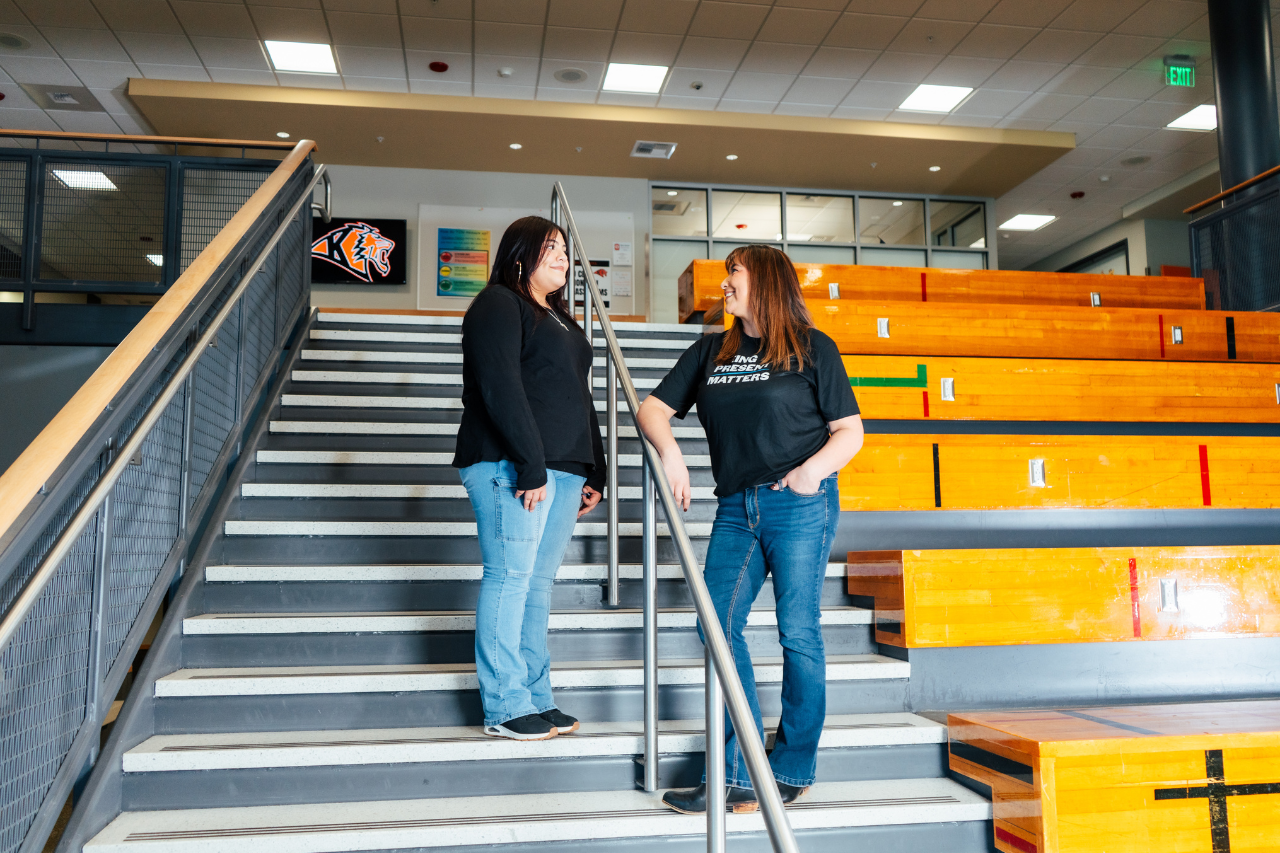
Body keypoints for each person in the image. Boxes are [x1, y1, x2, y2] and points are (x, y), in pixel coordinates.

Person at [637, 244, 864, 813]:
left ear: (763, 280)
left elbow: (850, 432)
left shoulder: (814, 349)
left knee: (797, 632)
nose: (723, 285)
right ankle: (737, 771)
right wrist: (669, 453)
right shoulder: (712, 350)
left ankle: (792, 765)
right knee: (716, 625)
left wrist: (810, 472)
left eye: (733, 273)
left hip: (799, 504)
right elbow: (651, 409)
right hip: (736, 507)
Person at [453, 216, 605, 741]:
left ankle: (537, 697)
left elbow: (578, 397)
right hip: (510, 465)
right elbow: (499, 386)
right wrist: (530, 462)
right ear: (519, 255)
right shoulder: (498, 303)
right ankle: (505, 704)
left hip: (562, 470)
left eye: (564, 249)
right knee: (511, 578)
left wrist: (596, 470)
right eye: (549, 249)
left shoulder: (562, 320)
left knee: (536, 585)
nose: (563, 257)